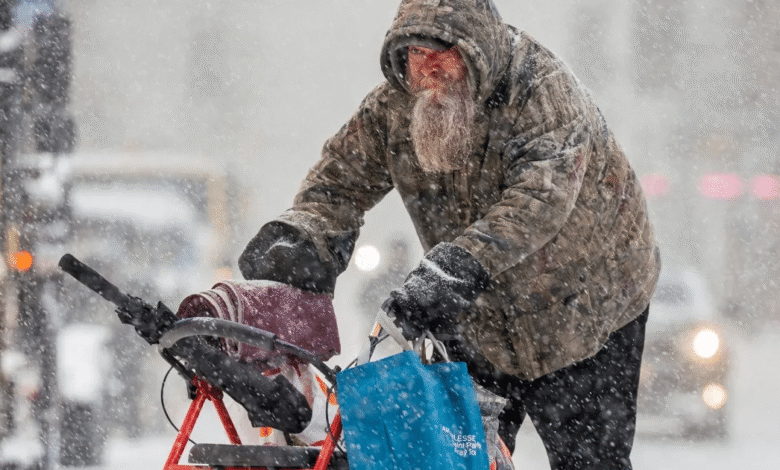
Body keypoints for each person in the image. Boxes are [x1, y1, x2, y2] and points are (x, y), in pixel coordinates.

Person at [238, 1, 661, 468]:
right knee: (458, 457)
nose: (428, 69)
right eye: (415, 55)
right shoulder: (394, 109)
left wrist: (456, 269)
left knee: (589, 461)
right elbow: (338, 183)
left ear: (477, 51)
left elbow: (539, 199)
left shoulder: (543, 93)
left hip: (586, 311)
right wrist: (303, 236)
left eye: (443, 52)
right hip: (478, 316)